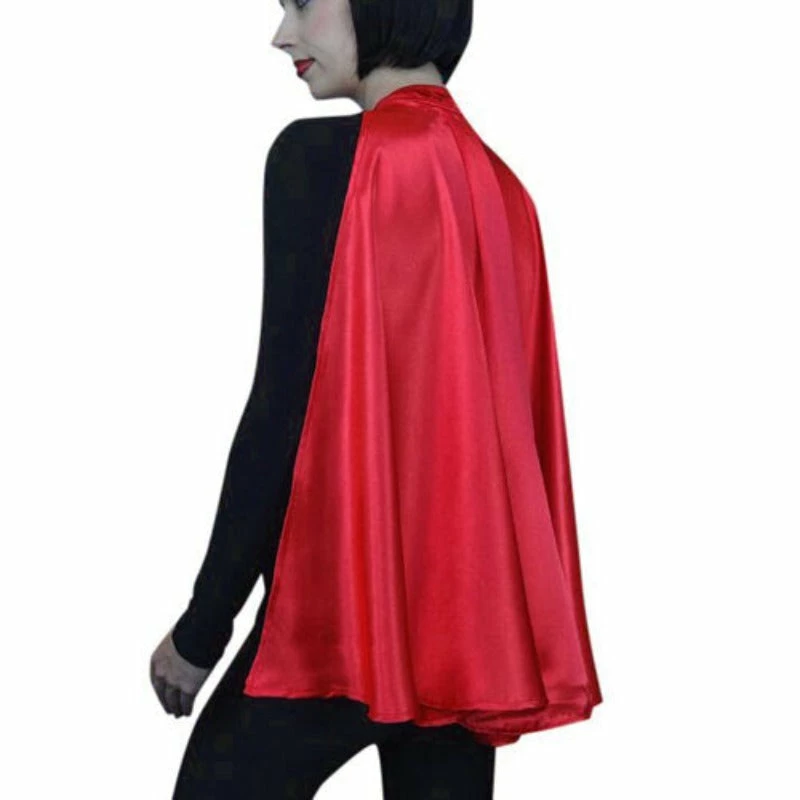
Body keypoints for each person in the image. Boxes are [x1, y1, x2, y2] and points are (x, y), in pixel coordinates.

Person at [150, 0, 603, 797]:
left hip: (331, 620)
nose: (282, 35)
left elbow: (283, 409)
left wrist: (204, 625)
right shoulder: (507, 193)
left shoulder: (321, 160)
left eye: (302, 3)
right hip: (465, 637)